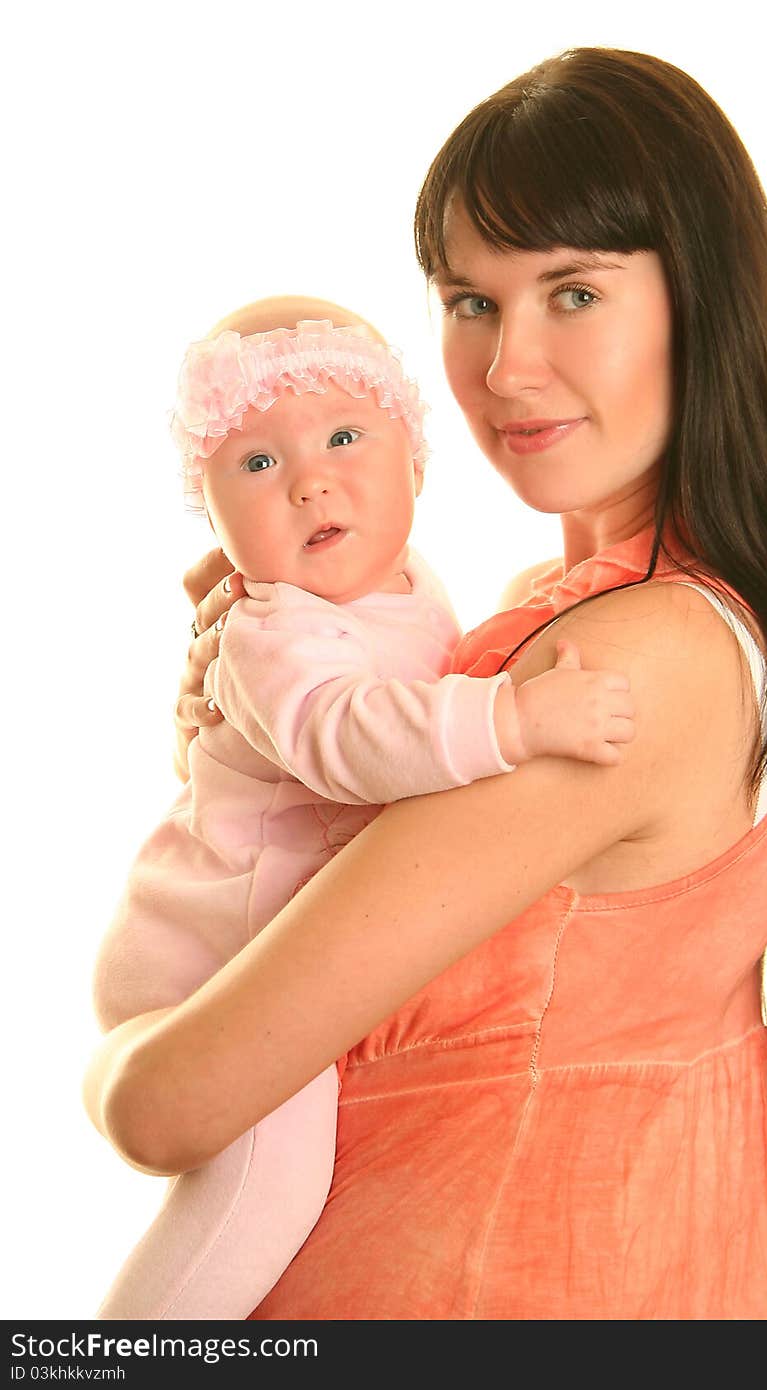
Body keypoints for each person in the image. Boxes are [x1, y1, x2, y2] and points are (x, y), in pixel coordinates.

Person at [83, 48, 767, 1319]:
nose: (506, 366)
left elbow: (171, 1103)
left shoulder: (623, 659)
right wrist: (255, 705)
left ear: (700, 299)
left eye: (572, 292)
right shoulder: (594, 612)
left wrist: (112, 1057)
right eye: (468, 301)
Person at [89, 295, 633, 1320]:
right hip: (214, 968)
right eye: (257, 465)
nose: (311, 480)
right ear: (212, 515)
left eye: (345, 436)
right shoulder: (270, 631)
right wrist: (515, 720)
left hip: (283, 955)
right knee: (260, 1192)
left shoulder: (403, 580)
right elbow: (352, 739)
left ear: (416, 465)